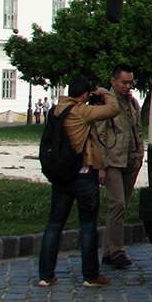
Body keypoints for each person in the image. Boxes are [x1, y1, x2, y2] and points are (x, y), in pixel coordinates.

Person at [37, 76, 119, 288]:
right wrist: (104, 93)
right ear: (84, 95)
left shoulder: (55, 110)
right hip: (82, 174)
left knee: (54, 225)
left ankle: (46, 274)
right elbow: (112, 109)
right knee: (88, 226)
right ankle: (91, 275)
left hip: (61, 174)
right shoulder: (81, 111)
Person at [95, 64, 142, 270]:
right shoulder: (106, 103)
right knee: (118, 205)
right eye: (124, 82)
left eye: (130, 83)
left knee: (120, 208)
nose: (127, 86)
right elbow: (100, 134)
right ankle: (116, 252)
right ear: (113, 81)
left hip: (131, 159)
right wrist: (101, 166)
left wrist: (140, 154)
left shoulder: (132, 102)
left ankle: (108, 251)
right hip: (113, 160)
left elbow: (137, 129)